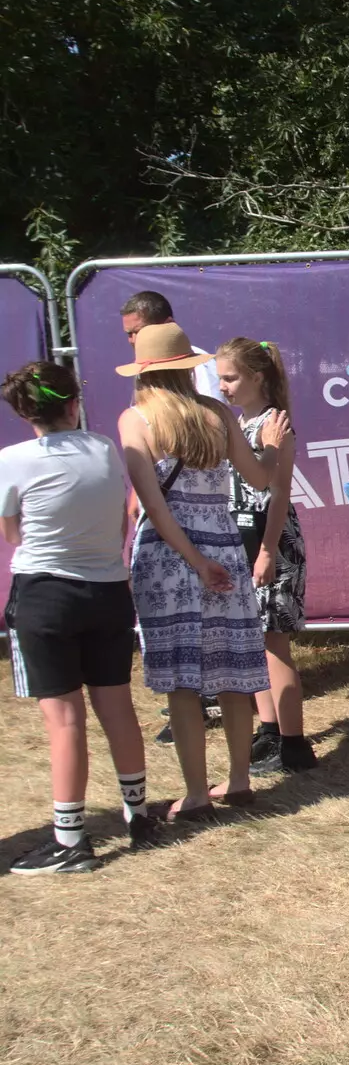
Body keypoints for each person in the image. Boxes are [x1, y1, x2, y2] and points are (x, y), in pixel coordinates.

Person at [116, 324, 286, 820]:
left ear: (145, 372)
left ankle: (195, 792)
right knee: (233, 671)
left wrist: (194, 561)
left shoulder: (137, 419)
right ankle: (237, 781)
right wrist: (271, 446)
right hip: (225, 546)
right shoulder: (215, 414)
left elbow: (153, 507)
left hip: (170, 557)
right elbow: (259, 477)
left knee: (181, 682)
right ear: (187, 368)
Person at [0, 362, 161, 872]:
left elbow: (12, 532)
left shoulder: (12, 460)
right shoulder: (103, 449)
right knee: (116, 708)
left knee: (65, 721)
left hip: (45, 598)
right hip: (108, 593)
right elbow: (119, 520)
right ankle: (139, 815)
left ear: (27, 413)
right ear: (74, 404)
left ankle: (70, 841)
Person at [214, 338, 315, 775]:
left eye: (230, 377)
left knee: (274, 643)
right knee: (254, 641)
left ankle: (294, 745)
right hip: (243, 540)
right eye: (220, 377)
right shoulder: (244, 420)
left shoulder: (276, 424)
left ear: (257, 377)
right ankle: (269, 731)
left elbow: (278, 493)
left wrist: (268, 552)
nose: (223, 386)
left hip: (269, 542)